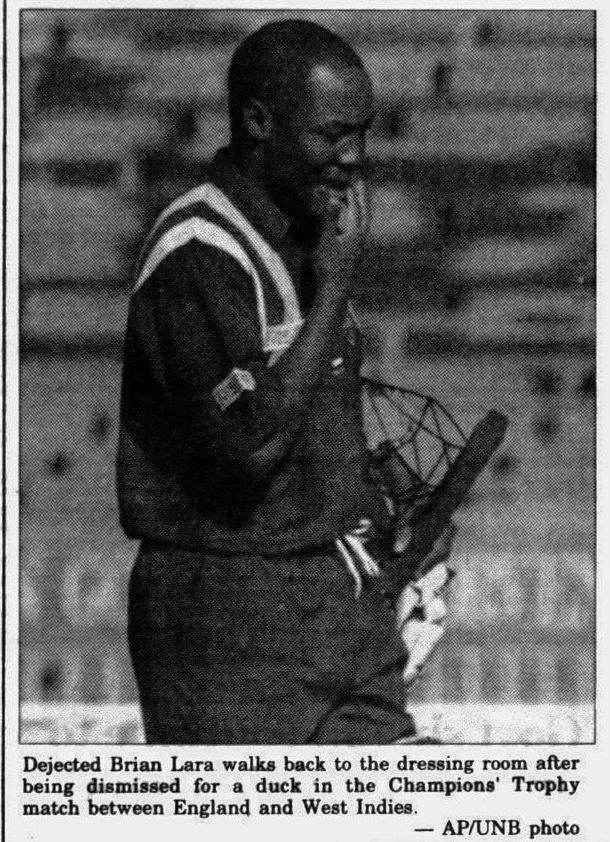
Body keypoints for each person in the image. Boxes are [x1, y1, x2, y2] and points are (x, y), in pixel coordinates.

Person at [117, 18, 453, 744]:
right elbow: (247, 446)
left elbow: (304, 424)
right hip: (226, 610)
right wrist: (333, 291)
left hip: (331, 592)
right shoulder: (197, 251)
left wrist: (377, 502)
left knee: (408, 796)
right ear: (258, 122)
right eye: (331, 134)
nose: (353, 157)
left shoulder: (310, 235)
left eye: (361, 133)